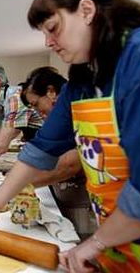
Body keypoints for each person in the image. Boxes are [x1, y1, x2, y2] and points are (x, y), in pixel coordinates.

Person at [0, 0, 140, 272]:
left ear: (87, 11)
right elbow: (40, 150)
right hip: (120, 238)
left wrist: (94, 242)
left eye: (53, 29)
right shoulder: (81, 81)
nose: (48, 42)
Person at [22, 66, 97, 238]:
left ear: (51, 92)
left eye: (36, 105)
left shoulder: (80, 107)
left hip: (84, 206)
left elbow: (70, 165)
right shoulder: (59, 119)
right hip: (67, 199)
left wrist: (20, 183)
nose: (37, 112)